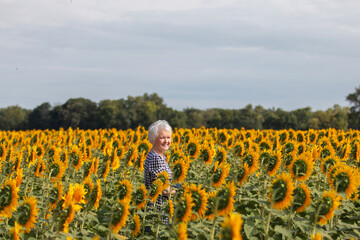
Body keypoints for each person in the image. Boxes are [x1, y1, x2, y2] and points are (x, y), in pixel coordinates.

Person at [144, 120, 176, 212]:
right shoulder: (156, 158)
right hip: (157, 208)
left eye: (168, 137)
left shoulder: (161, 156)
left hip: (160, 207)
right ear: (154, 139)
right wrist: (181, 191)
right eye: (162, 138)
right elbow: (164, 190)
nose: (167, 141)